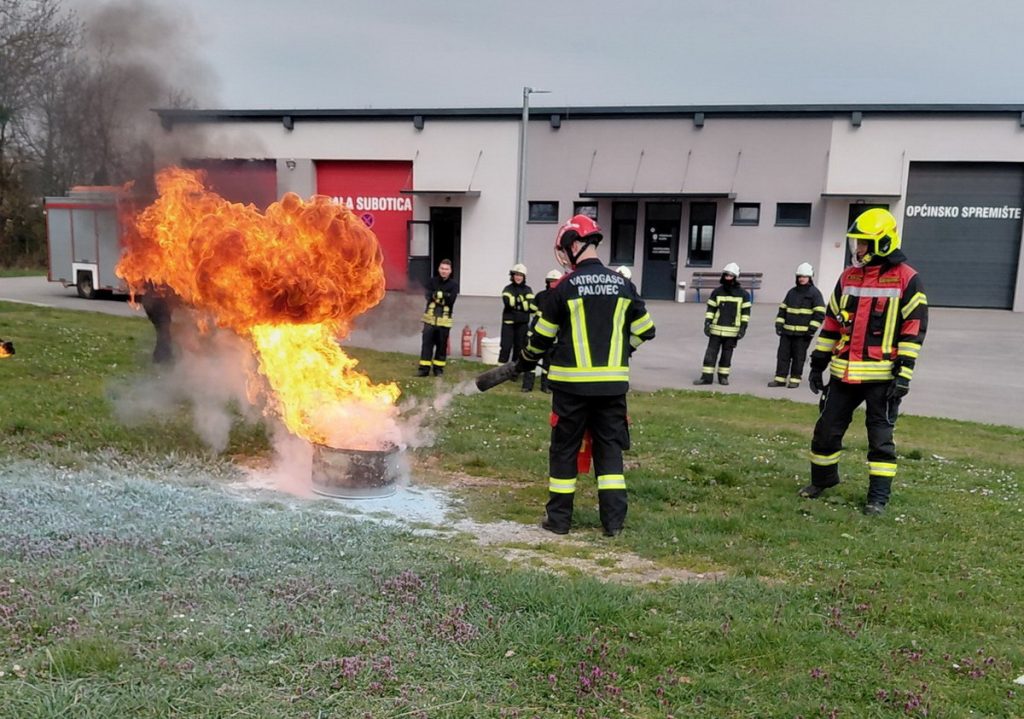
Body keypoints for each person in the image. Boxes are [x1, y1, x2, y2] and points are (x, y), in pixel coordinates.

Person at [517, 215, 656, 537]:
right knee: (609, 452)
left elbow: (541, 337)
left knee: (564, 451)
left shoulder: (564, 287)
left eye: (566, 250)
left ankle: (559, 521)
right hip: (611, 387)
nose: (564, 257)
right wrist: (623, 351)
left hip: (571, 388)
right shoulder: (624, 284)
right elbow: (646, 330)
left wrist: (526, 359)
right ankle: (614, 523)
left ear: (576, 245)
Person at [800, 208, 928, 516]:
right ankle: (824, 481)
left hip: (882, 377)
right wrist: (818, 363)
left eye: (862, 243)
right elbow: (831, 322)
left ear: (882, 243)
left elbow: (914, 329)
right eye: (855, 243)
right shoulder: (848, 277)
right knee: (826, 431)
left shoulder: (907, 280)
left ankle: (877, 498)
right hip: (844, 373)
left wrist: (904, 375)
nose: (857, 249)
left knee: (880, 440)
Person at [693, 262, 751, 386]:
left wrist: (743, 328)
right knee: (710, 354)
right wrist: (707, 323)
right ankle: (706, 377)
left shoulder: (744, 294)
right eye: (726, 275)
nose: (728, 278)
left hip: (732, 331)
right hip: (716, 329)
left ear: (735, 277)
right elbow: (711, 309)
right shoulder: (717, 292)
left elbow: (746, 313)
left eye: (730, 276)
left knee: (726, 355)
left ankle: (723, 377)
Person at [768, 263, 825, 388]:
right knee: (783, 355)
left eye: (804, 276)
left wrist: (811, 330)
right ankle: (780, 379)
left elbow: (820, 313)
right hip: (787, 332)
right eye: (800, 276)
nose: (801, 279)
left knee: (798, 357)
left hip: (803, 334)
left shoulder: (815, 293)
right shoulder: (791, 292)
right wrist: (779, 324)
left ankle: (795, 379)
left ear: (810, 277)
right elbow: (783, 309)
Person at [417, 259, 459, 377]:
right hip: (429, 321)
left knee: (441, 347)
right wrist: (443, 296)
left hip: (444, 322)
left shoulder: (453, 285)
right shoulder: (432, 281)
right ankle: (423, 369)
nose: (444, 271)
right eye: (442, 268)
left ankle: (438, 369)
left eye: (446, 269)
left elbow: (451, 301)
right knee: (426, 345)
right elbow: (427, 295)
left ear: (450, 271)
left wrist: (437, 295)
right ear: (438, 269)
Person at [525, 269, 563, 393]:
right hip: (536, 334)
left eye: (556, 281)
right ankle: (527, 386)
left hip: (552, 336)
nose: (553, 284)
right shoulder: (540, 295)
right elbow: (532, 310)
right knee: (531, 360)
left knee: (548, 362)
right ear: (547, 282)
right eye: (551, 281)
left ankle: (546, 386)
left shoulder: (561, 298)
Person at [498, 263, 534, 383]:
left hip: (522, 324)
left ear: (524, 277)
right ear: (512, 276)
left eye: (521, 275)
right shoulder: (507, 289)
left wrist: (519, 302)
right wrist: (522, 302)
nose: (518, 277)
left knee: (519, 349)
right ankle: (499, 373)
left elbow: (529, 306)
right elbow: (509, 303)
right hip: (509, 323)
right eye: (516, 275)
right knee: (506, 347)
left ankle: (514, 373)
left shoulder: (528, 289)